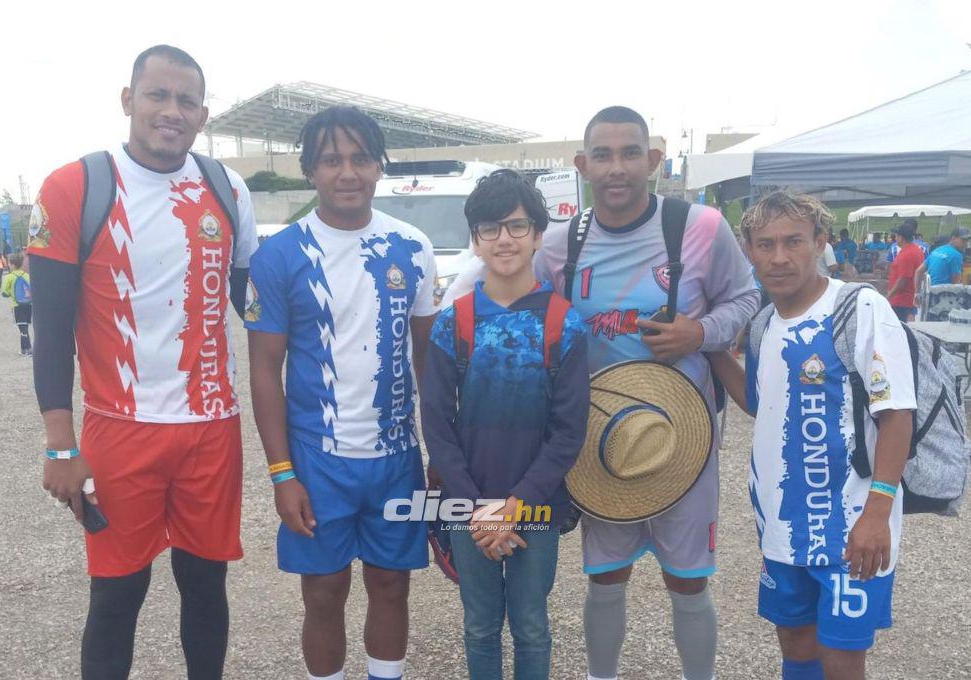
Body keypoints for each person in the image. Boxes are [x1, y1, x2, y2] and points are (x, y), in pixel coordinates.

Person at [447, 106, 759, 680]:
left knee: (689, 579)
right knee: (606, 575)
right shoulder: (559, 244)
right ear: (582, 165)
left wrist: (701, 332)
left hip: (682, 437)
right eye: (604, 155)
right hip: (597, 443)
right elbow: (500, 287)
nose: (617, 168)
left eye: (631, 153)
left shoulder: (701, 226)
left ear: (654, 160)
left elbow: (745, 296)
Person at [28, 45, 258, 679]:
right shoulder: (74, 186)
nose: (171, 111)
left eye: (187, 101)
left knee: (206, 587)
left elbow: (255, 306)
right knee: (116, 596)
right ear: (128, 100)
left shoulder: (227, 187)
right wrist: (59, 445)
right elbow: (52, 331)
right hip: (121, 428)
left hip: (211, 428)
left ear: (203, 115)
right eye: (158, 95)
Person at [246, 105, 438, 680]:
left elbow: (429, 363)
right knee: (324, 593)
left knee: (391, 585)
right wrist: (282, 474)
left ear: (380, 166)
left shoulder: (413, 246)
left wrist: (441, 455)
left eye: (361, 158)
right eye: (332, 160)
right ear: (310, 170)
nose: (347, 172)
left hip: (396, 458)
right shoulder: (279, 255)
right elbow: (264, 370)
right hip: (316, 460)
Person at [707, 190, 915, 680]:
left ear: (820, 242)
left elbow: (896, 414)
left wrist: (877, 513)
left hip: (850, 526)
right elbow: (760, 403)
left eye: (794, 241)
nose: (779, 257)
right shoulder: (763, 324)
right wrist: (711, 349)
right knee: (796, 643)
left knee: (841, 656)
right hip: (784, 527)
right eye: (765, 244)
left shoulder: (858, 307)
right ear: (750, 250)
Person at [420, 170, 589, 679]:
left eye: (517, 226)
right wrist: (478, 508)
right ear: (475, 240)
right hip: (467, 503)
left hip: (536, 504)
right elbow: (437, 423)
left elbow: (568, 430)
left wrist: (514, 506)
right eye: (490, 228)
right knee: (479, 626)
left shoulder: (564, 322)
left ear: (538, 234)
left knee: (532, 625)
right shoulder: (454, 321)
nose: (504, 239)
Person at [886, 221, 925, 322]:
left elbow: (902, 280)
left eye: (896, 236)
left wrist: (888, 297)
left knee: (899, 327)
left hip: (901, 300)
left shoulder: (906, 254)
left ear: (901, 238)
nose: (895, 238)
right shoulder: (917, 250)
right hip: (909, 298)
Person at [0, 252, 33, 356]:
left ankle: (28, 349)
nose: (8, 265)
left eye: (9, 263)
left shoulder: (9, 277)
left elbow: (4, 293)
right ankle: (24, 349)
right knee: (25, 327)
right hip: (28, 305)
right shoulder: (27, 276)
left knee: (22, 329)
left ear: (13, 265)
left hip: (17, 306)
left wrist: (11, 293)